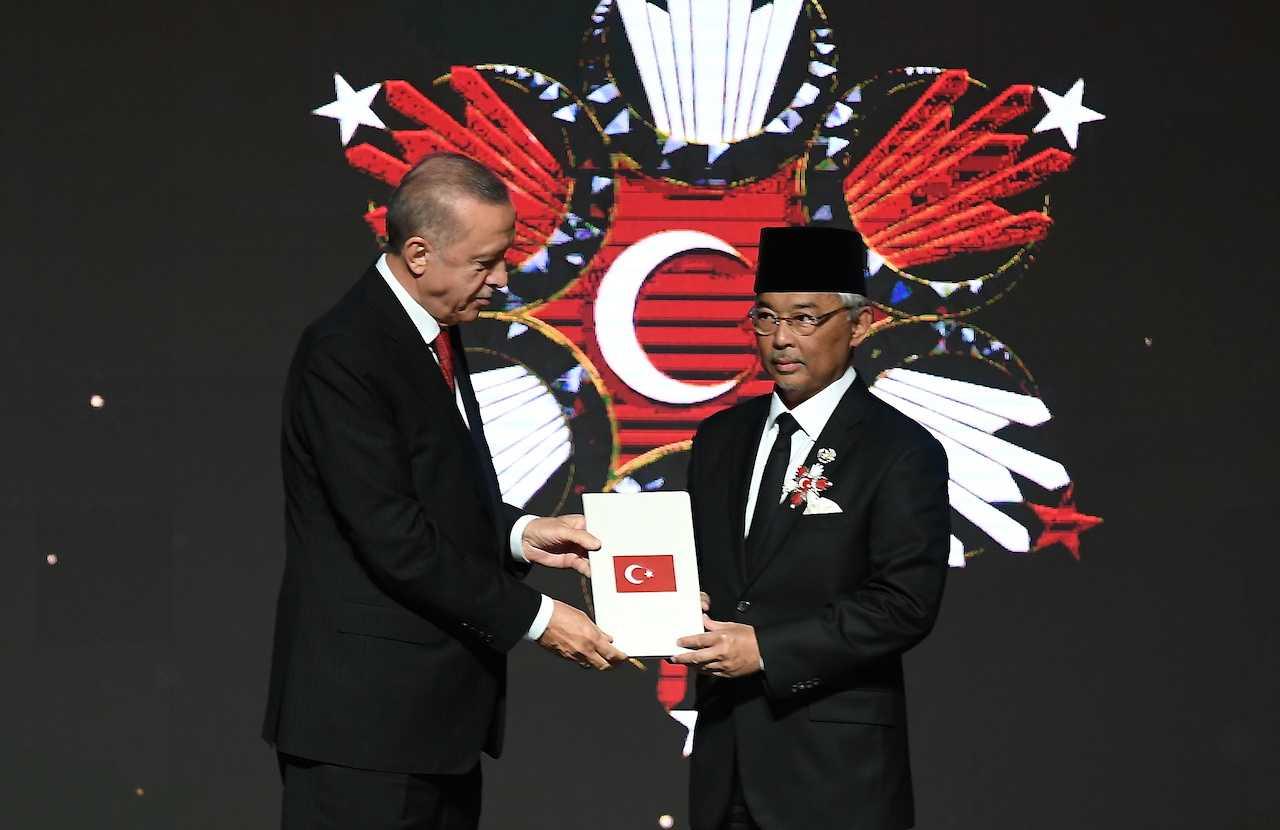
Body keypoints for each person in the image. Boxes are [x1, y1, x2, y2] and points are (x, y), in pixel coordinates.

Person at [262, 152, 628, 830]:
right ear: (421, 253)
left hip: (433, 728)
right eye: (485, 262)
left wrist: (521, 533)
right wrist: (540, 620)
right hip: (364, 732)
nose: (502, 279)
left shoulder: (431, 337)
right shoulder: (346, 352)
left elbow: (437, 498)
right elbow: (395, 539)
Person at [674, 226, 951, 830]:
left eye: (804, 319)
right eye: (765, 318)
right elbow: (705, 567)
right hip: (724, 763)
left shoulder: (899, 450)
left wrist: (767, 649)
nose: (780, 340)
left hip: (834, 772)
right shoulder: (720, 438)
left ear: (857, 323)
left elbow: (905, 603)